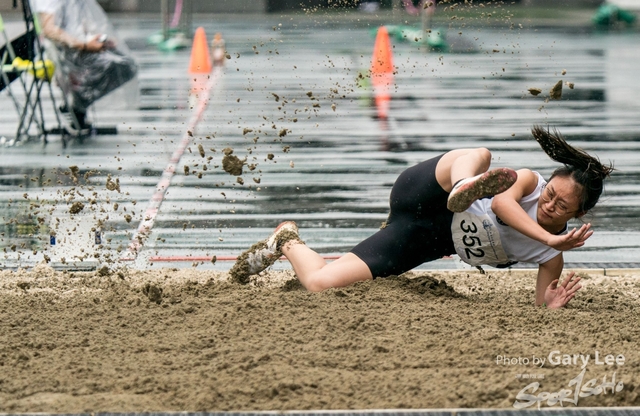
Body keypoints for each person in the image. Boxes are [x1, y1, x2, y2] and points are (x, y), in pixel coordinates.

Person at [230, 125, 614, 309]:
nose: (549, 205)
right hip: (429, 190)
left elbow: (539, 303)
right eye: (550, 195)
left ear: (580, 214)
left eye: (561, 207)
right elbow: (500, 206)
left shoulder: (550, 258)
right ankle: (467, 183)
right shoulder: (529, 184)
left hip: (423, 237)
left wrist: (549, 306)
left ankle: (286, 239)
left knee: (319, 283)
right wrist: (547, 236)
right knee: (480, 152)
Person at [30, 0, 137, 129]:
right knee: (122, 66)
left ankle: (76, 104)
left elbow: (78, 22)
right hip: (63, 50)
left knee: (126, 65)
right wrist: (84, 45)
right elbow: (49, 30)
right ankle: (76, 104)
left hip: (78, 45)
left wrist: (99, 39)